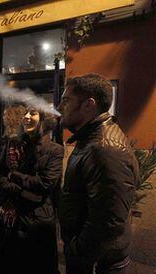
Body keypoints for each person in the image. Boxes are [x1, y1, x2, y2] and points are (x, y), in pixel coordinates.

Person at [57, 74, 139, 274]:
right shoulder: (91, 139)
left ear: (89, 105)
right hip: (94, 257)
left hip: (98, 261)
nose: (60, 107)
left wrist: (76, 252)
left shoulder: (104, 148)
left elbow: (108, 221)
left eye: (66, 101)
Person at [0, 104, 63, 274]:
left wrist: (14, 176)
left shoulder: (55, 150)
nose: (26, 117)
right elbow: (0, 176)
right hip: (10, 221)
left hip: (37, 223)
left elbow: (45, 184)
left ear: (44, 119)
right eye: (25, 113)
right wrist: (21, 190)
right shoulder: (14, 144)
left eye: (32, 113)